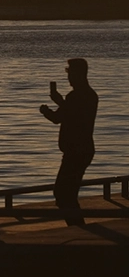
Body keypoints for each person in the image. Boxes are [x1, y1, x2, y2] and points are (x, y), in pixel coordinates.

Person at [40, 58, 99, 226]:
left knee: (63, 192)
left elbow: (58, 118)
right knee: (68, 192)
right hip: (83, 149)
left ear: (79, 74)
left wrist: (45, 110)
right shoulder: (90, 95)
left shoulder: (75, 96)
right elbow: (72, 113)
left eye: (71, 74)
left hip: (76, 151)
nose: (69, 78)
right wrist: (60, 101)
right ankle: (77, 225)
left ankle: (77, 226)